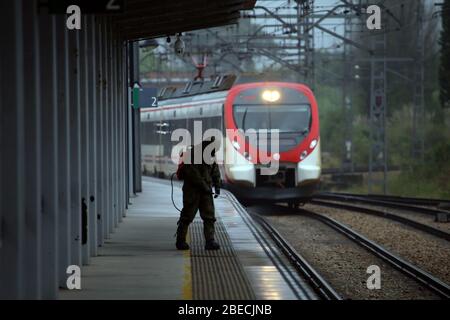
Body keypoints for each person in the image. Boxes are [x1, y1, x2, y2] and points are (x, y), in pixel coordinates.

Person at [175, 137, 221, 250]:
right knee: (187, 216)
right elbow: (192, 174)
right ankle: (180, 240)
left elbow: (215, 171)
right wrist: (204, 186)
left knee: (209, 217)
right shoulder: (192, 155)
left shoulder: (210, 155)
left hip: (206, 192)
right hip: (192, 192)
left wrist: (217, 186)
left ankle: (210, 241)